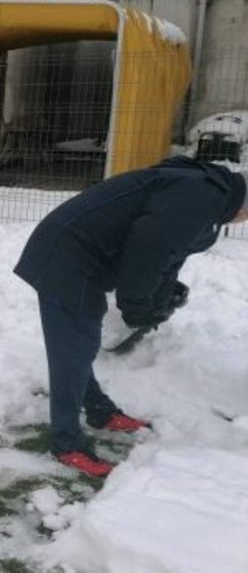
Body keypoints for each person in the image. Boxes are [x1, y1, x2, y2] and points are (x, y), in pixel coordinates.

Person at [14, 156, 248, 477]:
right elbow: (147, 252)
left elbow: (169, 254)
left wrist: (162, 294)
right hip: (66, 255)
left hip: (84, 256)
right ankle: (66, 443)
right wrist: (138, 308)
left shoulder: (209, 194)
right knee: (73, 350)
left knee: (77, 346)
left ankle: (98, 411)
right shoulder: (201, 197)